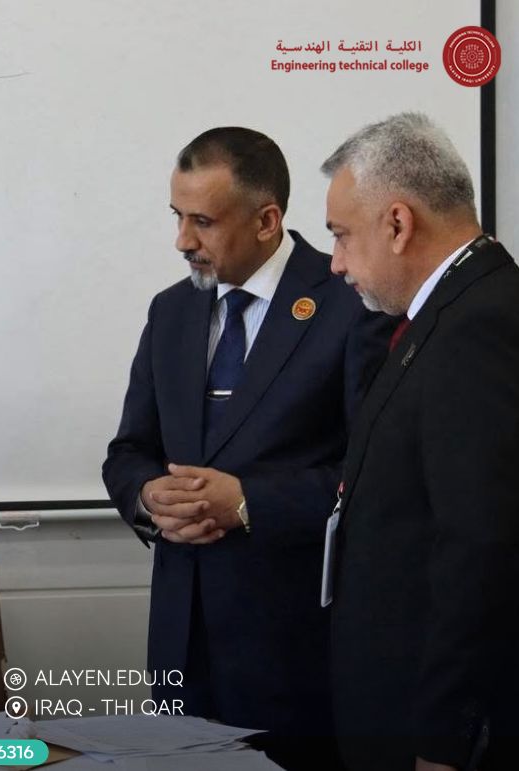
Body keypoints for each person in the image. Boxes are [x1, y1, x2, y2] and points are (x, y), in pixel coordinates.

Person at [102, 127, 392, 769]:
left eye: (202, 222)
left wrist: (248, 503)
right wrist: (148, 496)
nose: (182, 241)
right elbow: (128, 451)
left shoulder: (352, 304)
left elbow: (376, 476)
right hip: (181, 648)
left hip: (298, 652)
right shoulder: (170, 312)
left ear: (267, 221)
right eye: (177, 217)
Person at [323, 113, 519, 771]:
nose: (335, 262)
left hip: (427, 730)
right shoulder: (448, 311)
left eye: (341, 235)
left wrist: (444, 739)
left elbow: (480, 547)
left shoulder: (480, 324)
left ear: (398, 224)